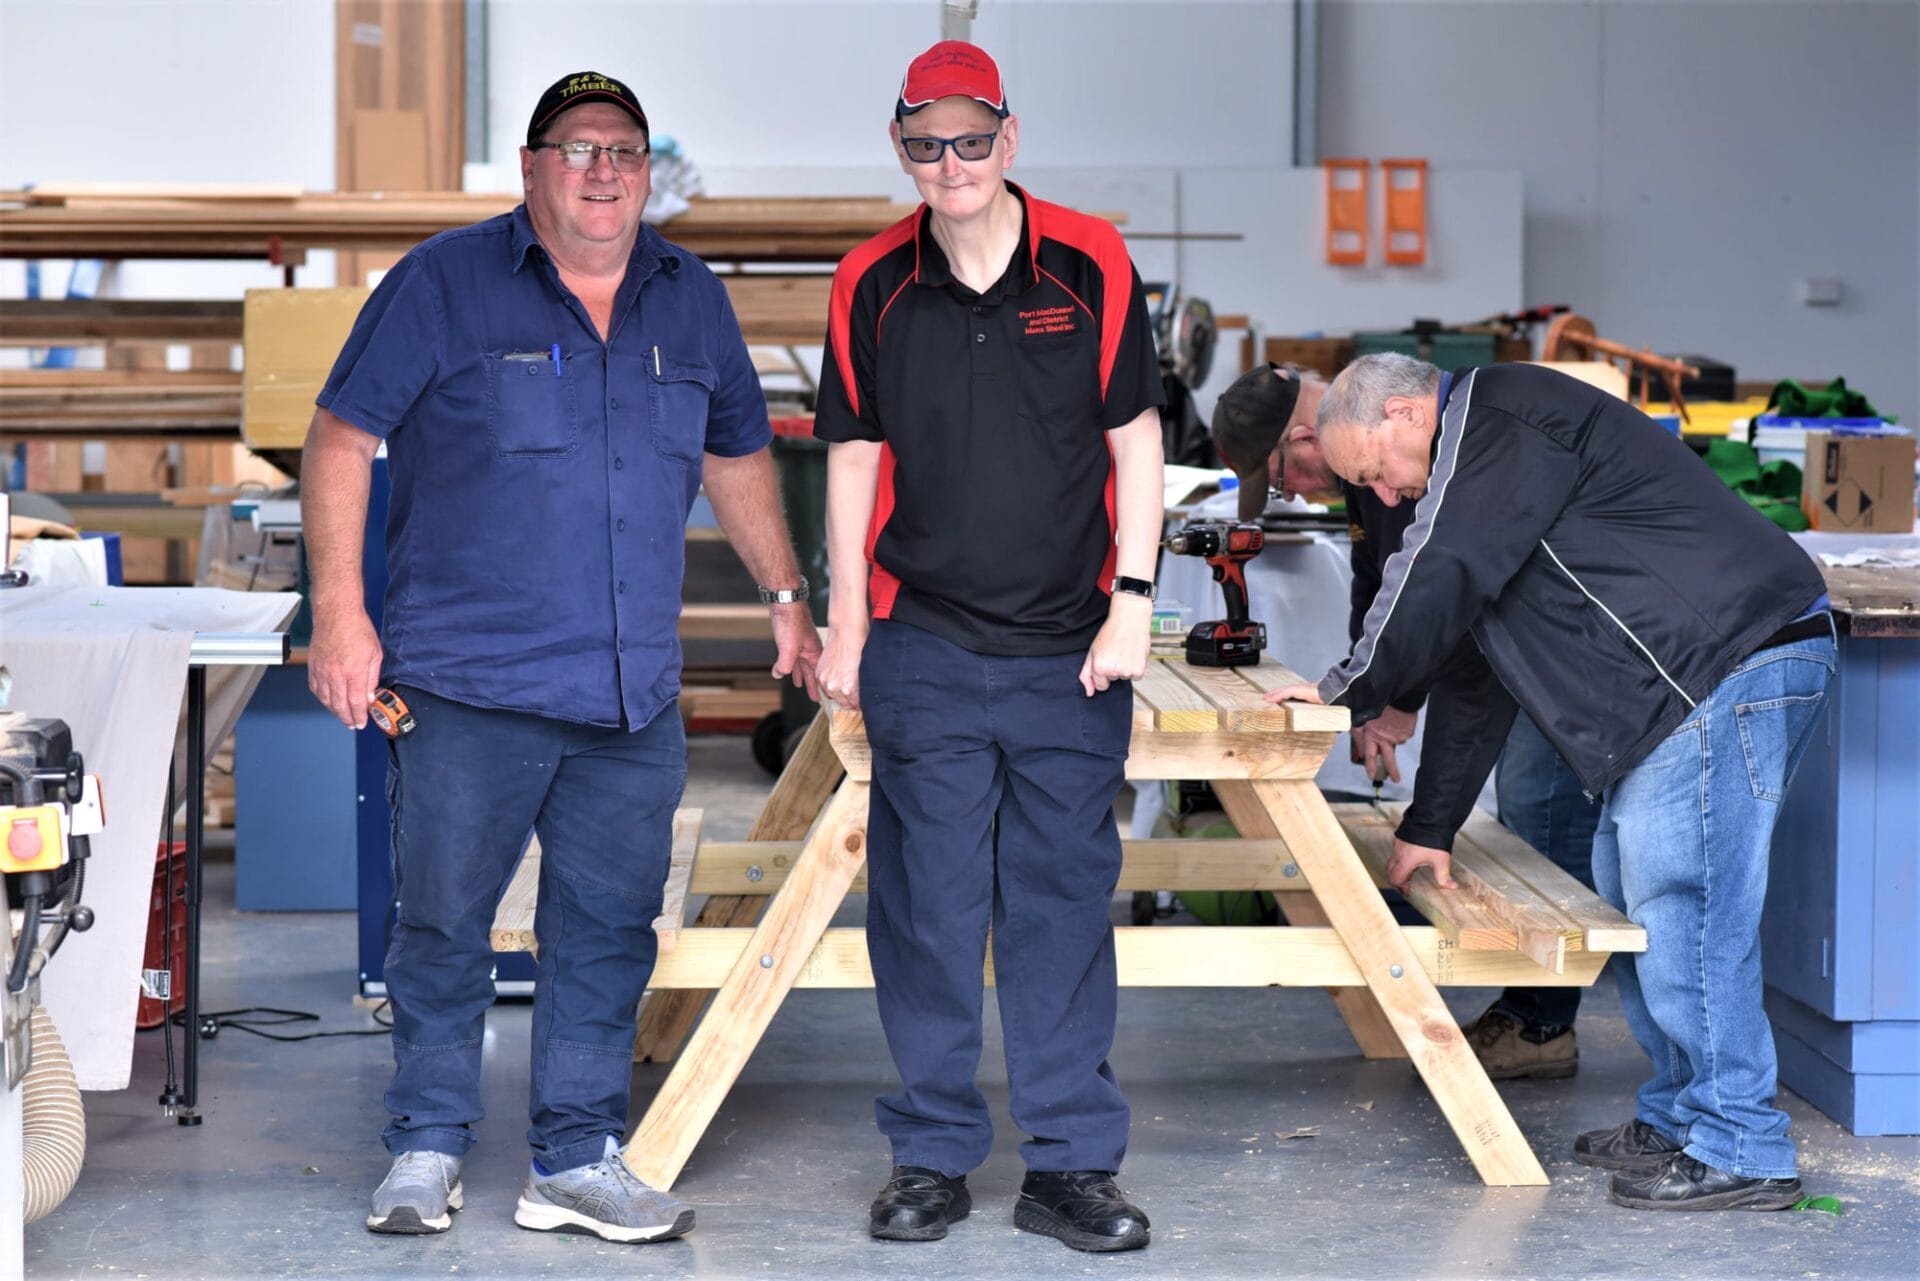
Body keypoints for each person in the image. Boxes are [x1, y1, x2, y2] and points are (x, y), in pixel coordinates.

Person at [302, 70, 821, 1243]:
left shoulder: (689, 298)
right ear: (532, 168)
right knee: (441, 918)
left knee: (608, 924)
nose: (602, 170)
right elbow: (342, 436)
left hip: (628, 693)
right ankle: (428, 1143)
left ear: (649, 170)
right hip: (469, 681)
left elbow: (738, 451)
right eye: (576, 148)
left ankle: (575, 1159)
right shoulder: (445, 283)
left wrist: (787, 595)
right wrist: (342, 615)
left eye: (623, 150)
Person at [1270, 353, 1834, 1211]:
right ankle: (1682, 1118)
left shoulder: (1497, 416)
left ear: (1402, 414)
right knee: (1633, 895)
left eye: (1375, 473)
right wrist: (1430, 823)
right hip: (1691, 685)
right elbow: (1474, 666)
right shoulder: (1489, 470)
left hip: (1726, 664)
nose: (1387, 499)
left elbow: (1436, 571)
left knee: (1687, 906)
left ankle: (1741, 1142)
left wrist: (1347, 687)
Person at [811, 40, 1164, 1253]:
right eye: (925, 142)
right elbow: (850, 457)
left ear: (1009, 139)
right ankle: (929, 1156)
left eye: (970, 138)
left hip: (1072, 647)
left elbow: (1135, 444)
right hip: (928, 642)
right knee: (927, 907)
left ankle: (1071, 1167)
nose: (949, 162)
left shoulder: (1093, 258)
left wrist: (1134, 599)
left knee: (1062, 903)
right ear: (900, 146)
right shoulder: (869, 281)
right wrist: (847, 621)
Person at [1213, 362, 1598, 1081]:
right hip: (1497, 642)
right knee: (1519, 805)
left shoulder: (1398, 443)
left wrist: (1370, 695)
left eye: (1282, 473)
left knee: (1537, 805)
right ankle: (1536, 1013)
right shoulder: (1373, 460)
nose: (1292, 492)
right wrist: (1382, 696)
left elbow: (1444, 591)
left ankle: (1545, 1023)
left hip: (1549, 648)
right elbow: (1379, 575)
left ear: (1303, 436)